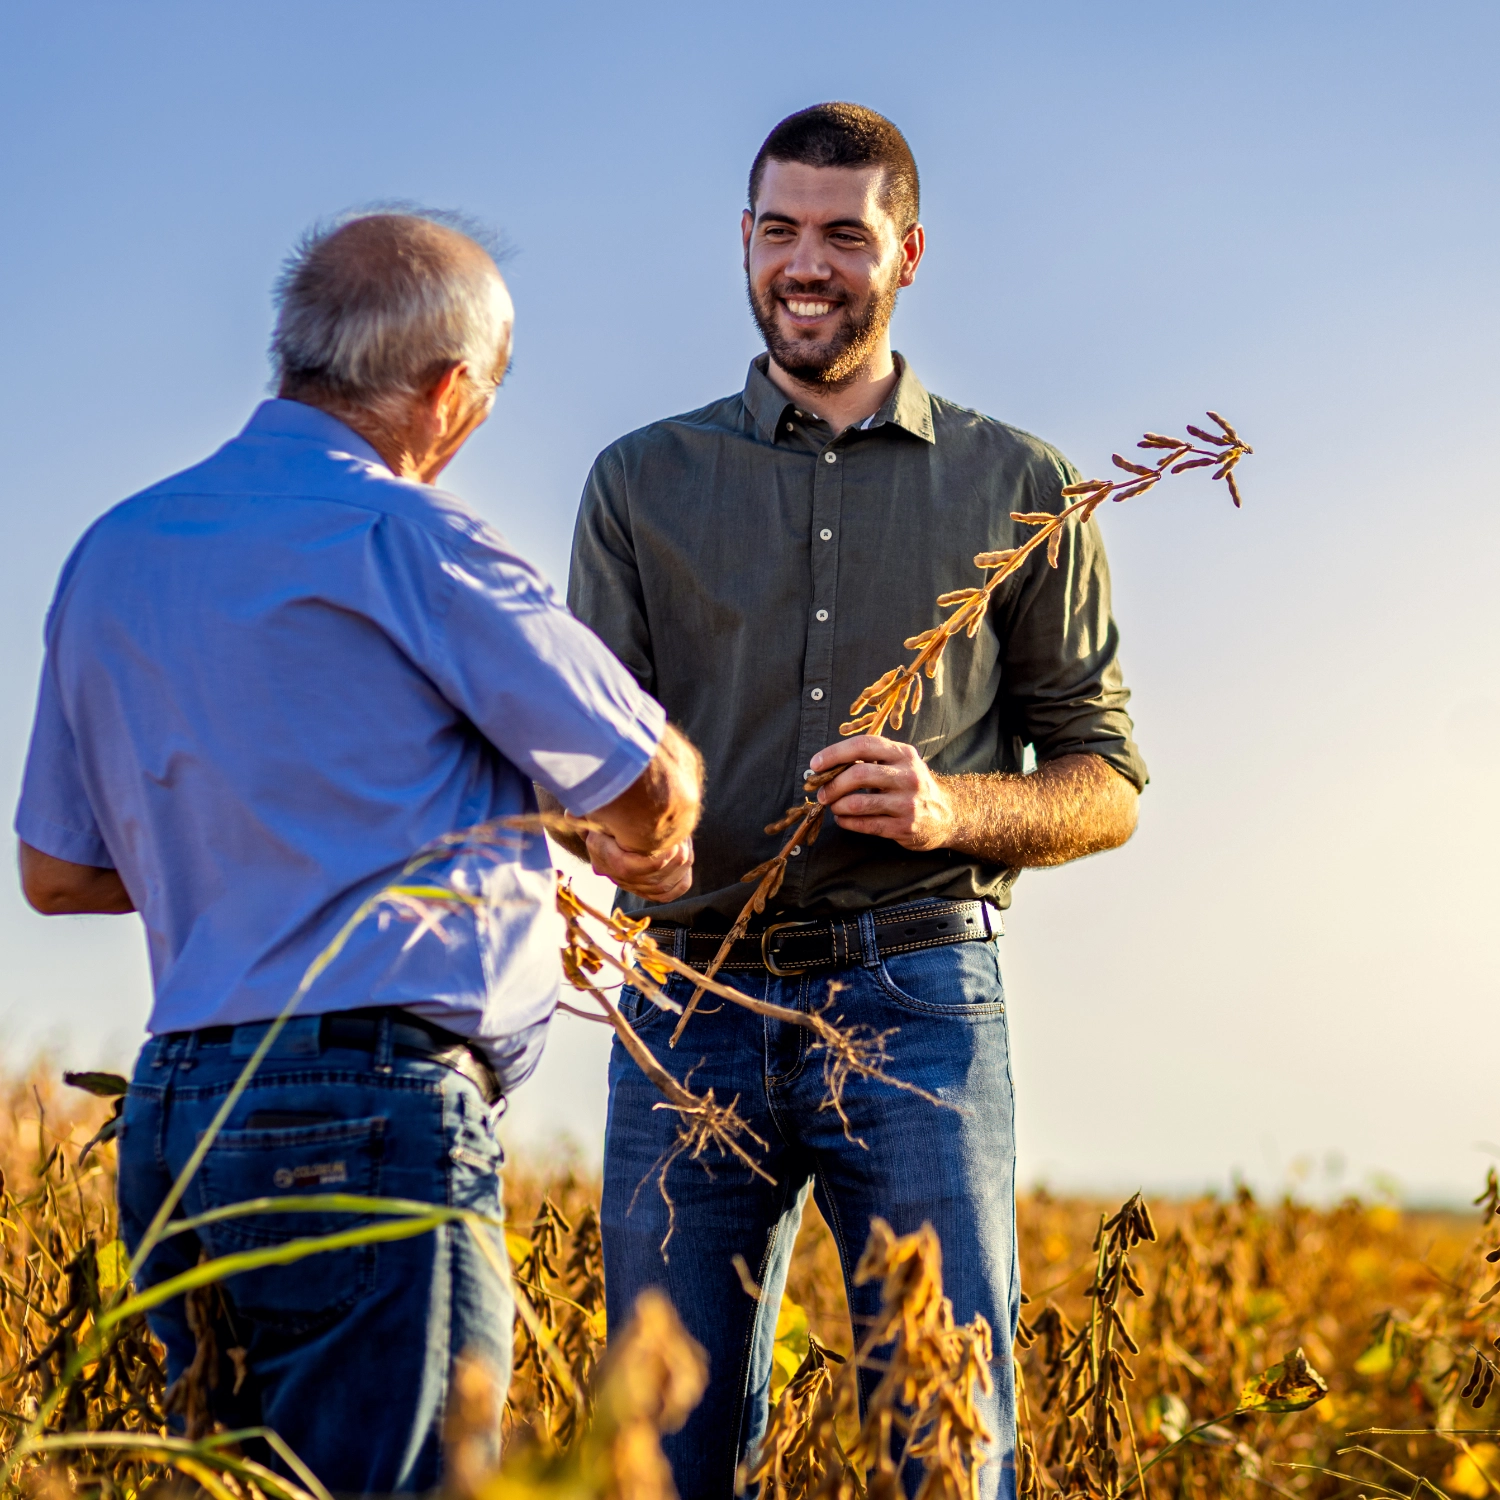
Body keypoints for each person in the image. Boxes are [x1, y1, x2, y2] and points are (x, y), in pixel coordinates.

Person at [15, 210, 701, 1495]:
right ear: (449, 390)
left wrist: (253, 855)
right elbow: (645, 780)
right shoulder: (413, 538)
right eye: (486, 395)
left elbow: (53, 874)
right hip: (370, 1110)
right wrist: (637, 847)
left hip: (175, 1118)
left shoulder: (112, 554)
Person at [563, 104, 1147, 1500]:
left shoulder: (1025, 487)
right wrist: (610, 837)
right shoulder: (638, 484)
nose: (805, 264)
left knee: (945, 1453)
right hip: (690, 1006)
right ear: (745, 242)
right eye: (778, 231)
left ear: (911, 251)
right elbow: (584, 774)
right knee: (655, 1454)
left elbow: (1109, 783)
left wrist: (951, 811)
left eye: (844, 233)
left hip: (923, 1005)